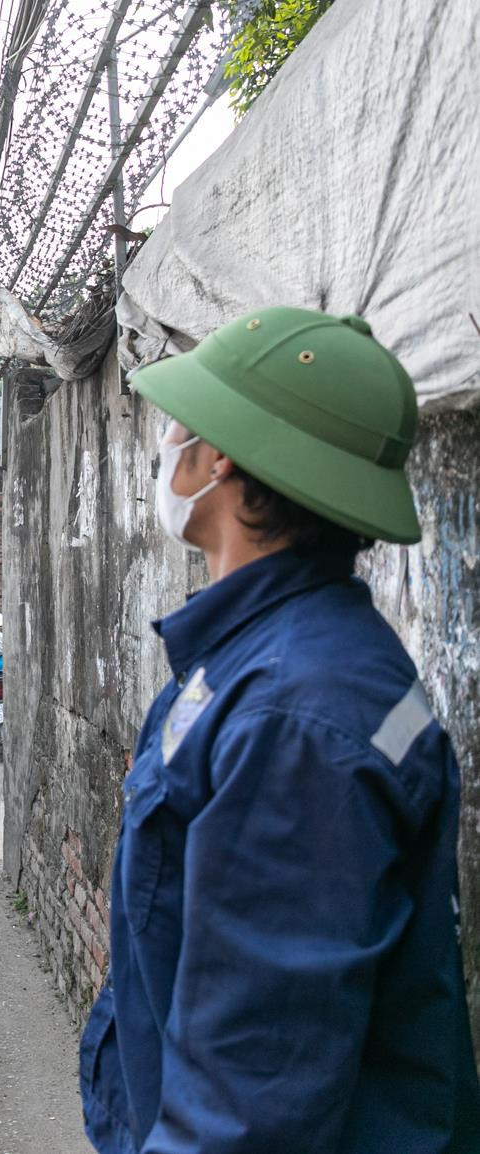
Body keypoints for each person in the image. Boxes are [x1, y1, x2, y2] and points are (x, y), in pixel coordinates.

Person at [83, 307, 480, 1152]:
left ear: (218, 453)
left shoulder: (295, 715)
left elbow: (251, 1099)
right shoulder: (289, 661)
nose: (163, 446)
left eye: (175, 425)